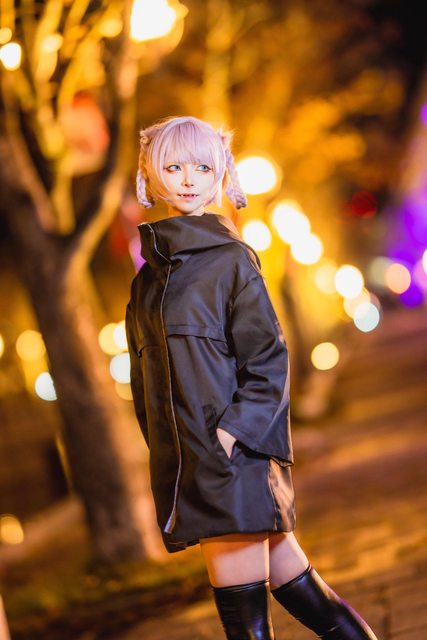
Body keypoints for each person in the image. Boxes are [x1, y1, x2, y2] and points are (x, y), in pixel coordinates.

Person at [126, 115, 379, 640]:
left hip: (229, 461)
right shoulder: (148, 281)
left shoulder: (230, 260)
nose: (188, 179)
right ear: (150, 173)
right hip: (197, 465)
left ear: (221, 173)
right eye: (174, 167)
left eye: (203, 167)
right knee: (310, 598)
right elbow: (146, 383)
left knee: (245, 628)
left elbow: (268, 358)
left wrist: (228, 436)